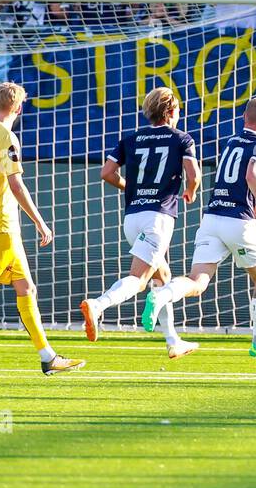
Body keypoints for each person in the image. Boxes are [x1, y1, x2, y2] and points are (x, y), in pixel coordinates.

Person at [0, 82, 84, 377]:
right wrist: (40, 221)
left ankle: (48, 357)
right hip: (1, 226)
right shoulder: (7, 137)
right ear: (19, 108)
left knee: (27, 288)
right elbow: (15, 183)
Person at [141, 97, 256, 358]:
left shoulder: (231, 142)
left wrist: (254, 205)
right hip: (238, 223)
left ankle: (162, 295)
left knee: (197, 281)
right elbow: (251, 175)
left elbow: (233, 183)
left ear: (243, 117)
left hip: (212, 219)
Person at [80, 87, 200, 359]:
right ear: (171, 112)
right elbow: (193, 175)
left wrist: (129, 189)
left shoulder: (130, 139)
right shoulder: (182, 138)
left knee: (163, 277)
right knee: (139, 279)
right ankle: (98, 305)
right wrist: (191, 190)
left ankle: (173, 341)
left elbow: (107, 173)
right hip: (158, 217)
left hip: (132, 217)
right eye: (178, 109)